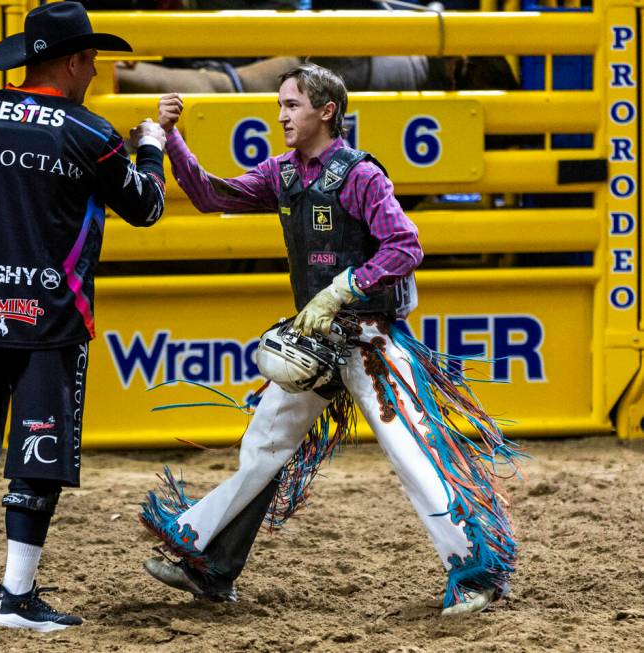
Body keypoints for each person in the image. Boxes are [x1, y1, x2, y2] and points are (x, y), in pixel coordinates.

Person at [140, 63, 520, 616]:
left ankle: (477, 572)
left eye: (292, 105)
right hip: (316, 344)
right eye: (280, 106)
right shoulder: (284, 173)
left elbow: (405, 245)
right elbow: (209, 194)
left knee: (412, 455)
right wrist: (172, 140)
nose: (282, 116)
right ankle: (209, 563)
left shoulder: (361, 175)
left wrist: (344, 286)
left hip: (370, 340)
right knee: (264, 447)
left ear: (326, 111)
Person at [0, 1, 167, 631]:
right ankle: (15, 596)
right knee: (38, 448)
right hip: (49, 319)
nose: (95, 72)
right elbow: (146, 209)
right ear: (77, 60)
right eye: (92, 61)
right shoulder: (91, 134)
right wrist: (153, 148)